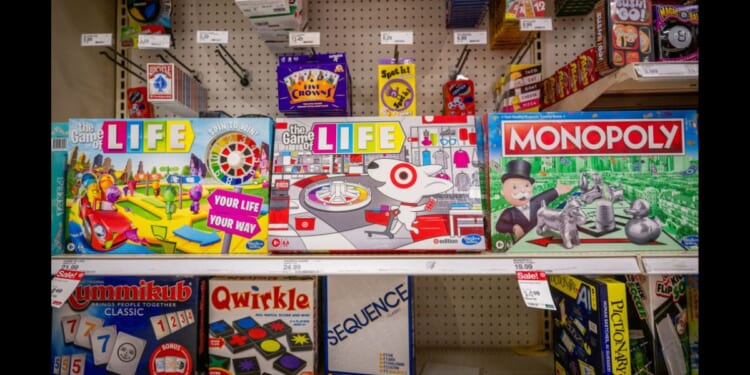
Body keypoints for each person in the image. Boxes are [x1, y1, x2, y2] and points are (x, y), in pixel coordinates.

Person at [496, 159, 574, 240]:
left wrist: (558, 190)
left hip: (542, 237)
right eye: (515, 187)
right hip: (523, 244)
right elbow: (500, 225)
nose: (523, 191)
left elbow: (546, 196)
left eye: (526, 186)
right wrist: (514, 227)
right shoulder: (509, 213)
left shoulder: (535, 203)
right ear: (503, 192)